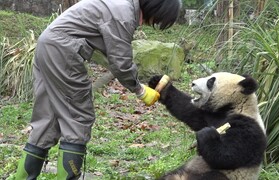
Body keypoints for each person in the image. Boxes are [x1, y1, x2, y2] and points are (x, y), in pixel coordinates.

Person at [14, 0, 181, 179]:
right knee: (78, 117)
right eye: (156, 20)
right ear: (155, 8)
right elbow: (120, 62)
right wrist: (140, 90)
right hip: (63, 50)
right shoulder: (123, 14)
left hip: (48, 44)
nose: (151, 23)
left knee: (48, 118)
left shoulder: (119, 5)